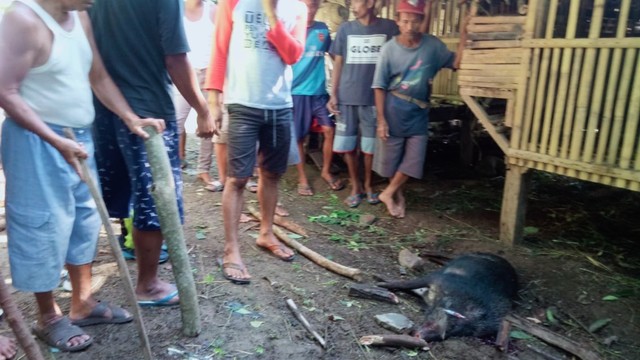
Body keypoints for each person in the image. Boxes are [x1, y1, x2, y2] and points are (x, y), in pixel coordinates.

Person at [0, 0, 165, 352]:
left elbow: (98, 76)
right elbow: (5, 90)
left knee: (85, 221)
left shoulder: (81, 17)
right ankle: (49, 317)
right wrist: (55, 139)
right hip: (37, 140)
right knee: (44, 225)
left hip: (79, 137)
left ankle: (83, 302)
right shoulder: (23, 19)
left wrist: (129, 117)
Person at [89, 0, 215, 306]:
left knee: (111, 188)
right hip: (148, 109)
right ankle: (148, 284)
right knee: (157, 198)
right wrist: (203, 109)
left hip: (103, 104)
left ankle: (124, 246)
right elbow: (175, 59)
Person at [206, 0, 307, 284]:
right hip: (242, 105)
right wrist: (213, 100)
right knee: (237, 179)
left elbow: (293, 54)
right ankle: (231, 249)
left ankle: (266, 233)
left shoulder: (297, 8)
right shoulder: (233, 3)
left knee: (272, 175)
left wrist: (272, 14)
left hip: (279, 106)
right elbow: (220, 50)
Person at [372, 0, 467, 218]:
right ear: (398, 21)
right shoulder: (388, 49)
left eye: (415, 21)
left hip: (419, 111)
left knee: (415, 158)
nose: (409, 26)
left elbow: (456, 62)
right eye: (405, 21)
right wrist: (381, 120)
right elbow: (378, 86)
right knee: (392, 158)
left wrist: (464, 35)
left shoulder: (432, 46)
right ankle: (398, 195)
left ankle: (388, 193)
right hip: (394, 107)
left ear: (422, 21)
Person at [327, 0, 398, 208]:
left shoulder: (389, 28)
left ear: (370, 3)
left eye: (356, 1)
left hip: (373, 99)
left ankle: (368, 185)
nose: (353, 6)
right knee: (348, 146)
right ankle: (355, 186)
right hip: (347, 97)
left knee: (369, 147)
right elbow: (338, 62)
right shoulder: (345, 29)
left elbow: (396, 59)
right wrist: (333, 93)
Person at [292, 0, 344, 196]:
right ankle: (302, 178)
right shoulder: (291, 28)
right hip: (297, 93)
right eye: (305, 5)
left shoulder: (322, 29)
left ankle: (325, 171)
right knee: (299, 137)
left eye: (313, 5)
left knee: (329, 130)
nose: (310, 9)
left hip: (319, 92)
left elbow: (334, 55)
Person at [175, 0, 221, 192]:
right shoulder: (174, 8)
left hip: (209, 73)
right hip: (182, 74)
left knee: (209, 124)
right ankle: (172, 166)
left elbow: (221, 45)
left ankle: (204, 170)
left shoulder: (213, 10)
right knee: (175, 122)